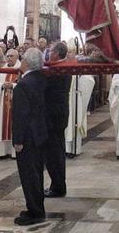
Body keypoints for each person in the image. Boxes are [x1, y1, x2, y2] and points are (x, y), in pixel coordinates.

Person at [11, 48, 49, 226]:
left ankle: (35, 212)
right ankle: (36, 207)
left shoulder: (23, 85)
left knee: (28, 175)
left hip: (27, 137)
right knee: (36, 174)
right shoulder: (42, 79)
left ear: (26, 63)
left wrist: (17, 139)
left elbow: (20, 115)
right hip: (40, 134)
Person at [43, 42, 70, 198]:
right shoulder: (59, 67)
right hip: (57, 116)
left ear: (57, 53)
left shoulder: (58, 70)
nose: (48, 53)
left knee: (54, 154)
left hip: (54, 117)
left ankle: (58, 187)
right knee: (55, 153)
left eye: (51, 50)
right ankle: (57, 184)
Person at [0, 48, 21, 158]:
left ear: (17, 57)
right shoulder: (1, 70)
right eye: (8, 56)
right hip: (2, 105)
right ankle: (2, 152)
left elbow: (25, 86)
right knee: (3, 125)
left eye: (12, 56)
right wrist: (2, 86)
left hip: (16, 105)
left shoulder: (21, 70)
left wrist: (13, 86)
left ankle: (14, 152)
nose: (9, 58)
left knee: (15, 125)